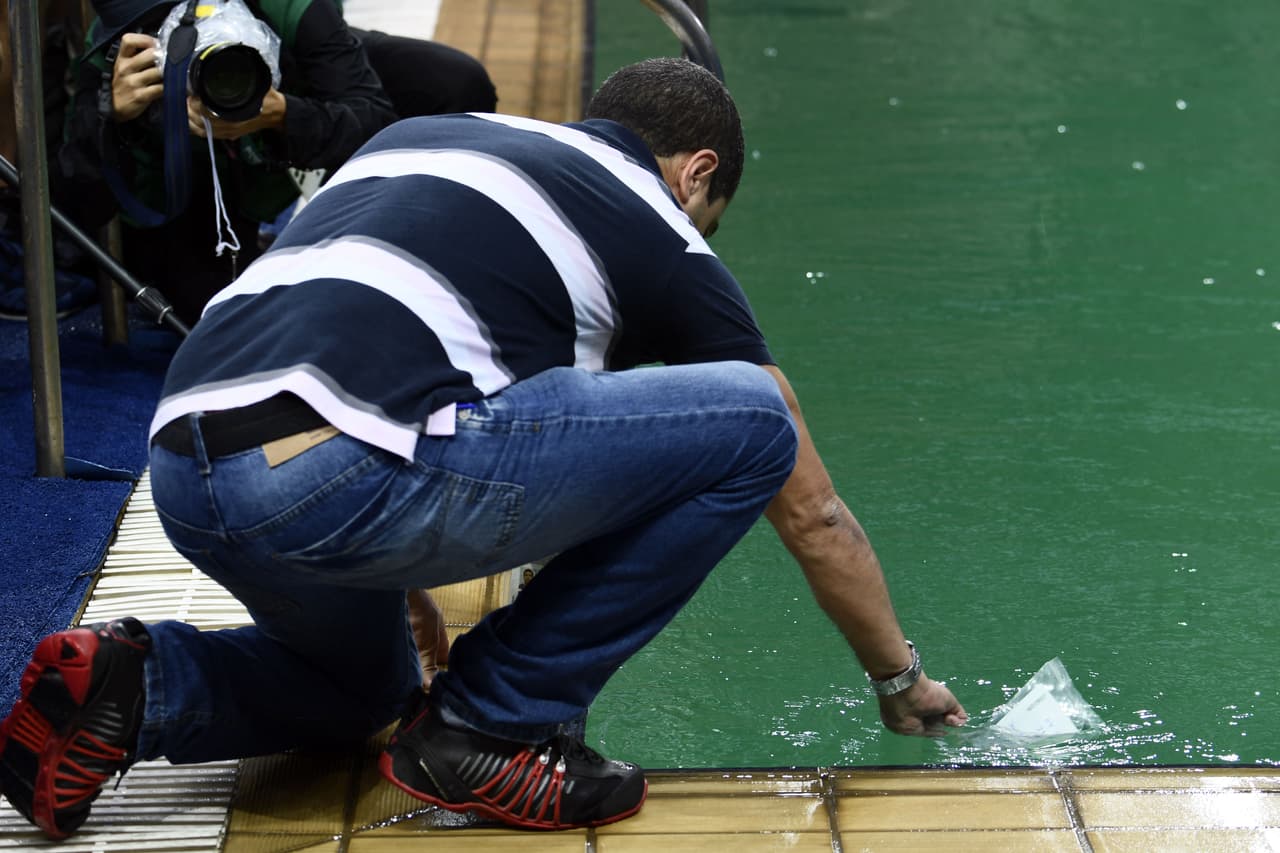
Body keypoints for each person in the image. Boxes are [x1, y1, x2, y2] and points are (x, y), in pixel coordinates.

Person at [0, 57, 967, 839]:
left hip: (184, 464)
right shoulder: (654, 223)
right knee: (755, 418)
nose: (703, 236)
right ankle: (494, 720)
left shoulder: (424, 138)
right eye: (709, 216)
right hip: (338, 469)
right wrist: (900, 680)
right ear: (696, 173)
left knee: (363, 691)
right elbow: (810, 507)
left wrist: (400, 576)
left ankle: (132, 686)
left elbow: (389, 340)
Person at [54, 0, 496, 327]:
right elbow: (73, 209)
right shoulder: (123, 38)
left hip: (290, 86)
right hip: (185, 180)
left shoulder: (292, 9)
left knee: (451, 83)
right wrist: (113, 118)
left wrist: (283, 115)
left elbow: (372, 118)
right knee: (222, 314)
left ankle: (420, 260)